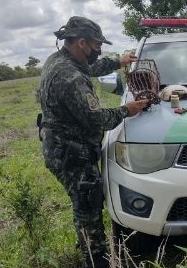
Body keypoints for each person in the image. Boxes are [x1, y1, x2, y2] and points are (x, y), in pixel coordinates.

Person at [37, 16, 148, 267]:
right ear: (82, 43)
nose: (99, 50)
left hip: (62, 147)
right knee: (87, 204)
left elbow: (92, 68)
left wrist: (119, 62)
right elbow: (97, 120)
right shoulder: (68, 76)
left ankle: (89, 245)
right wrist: (127, 110)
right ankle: (96, 257)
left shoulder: (62, 60)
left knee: (83, 201)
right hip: (71, 153)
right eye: (97, 45)